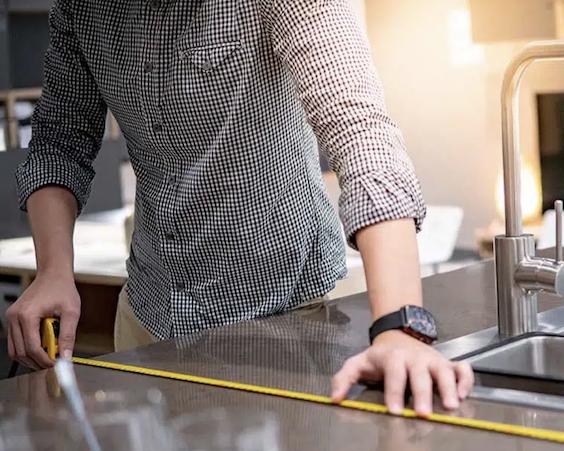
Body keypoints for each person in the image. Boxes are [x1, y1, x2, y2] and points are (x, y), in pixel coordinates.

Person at [5, 0, 473, 415]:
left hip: (287, 319)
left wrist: (399, 328)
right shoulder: (83, 7)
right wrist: (52, 271)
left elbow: (360, 132)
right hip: (150, 318)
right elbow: (58, 145)